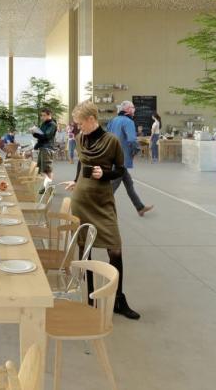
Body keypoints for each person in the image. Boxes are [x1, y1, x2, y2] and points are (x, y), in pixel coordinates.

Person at [62, 99, 140, 320]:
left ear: (91, 119)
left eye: (80, 122)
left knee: (115, 248)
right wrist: (76, 180)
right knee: (84, 248)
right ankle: (89, 299)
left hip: (102, 200)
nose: (78, 127)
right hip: (81, 199)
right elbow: (81, 162)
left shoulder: (111, 141)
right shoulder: (79, 139)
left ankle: (118, 299)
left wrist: (104, 174)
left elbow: (120, 170)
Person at [106, 101, 154, 217]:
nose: (134, 109)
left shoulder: (113, 120)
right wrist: (136, 150)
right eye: (133, 107)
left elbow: (106, 136)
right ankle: (99, 209)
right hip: (122, 158)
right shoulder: (128, 121)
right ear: (127, 109)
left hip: (113, 155)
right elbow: (132, 139)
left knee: (129, 183)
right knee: (112, 186)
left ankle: (140, 207)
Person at [31, 107, 57, 189]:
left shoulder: (52, 124)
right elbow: (40, 135)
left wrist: (37, 133)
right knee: (43, 169)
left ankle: (49, 186)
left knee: (47, 170)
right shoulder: (44, 123)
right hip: (43, 147)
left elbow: (46, 136)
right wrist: (34, 132)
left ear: (49, 115)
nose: (42, 117)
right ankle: (47, 186)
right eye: (41, 115)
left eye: (44, 115)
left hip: (47, 148)